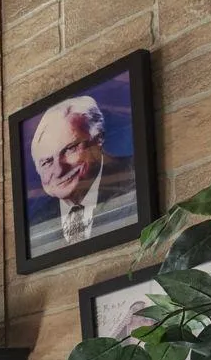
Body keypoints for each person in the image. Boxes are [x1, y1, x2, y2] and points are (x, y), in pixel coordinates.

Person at [26, 95, 138, 255]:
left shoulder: (136, 177)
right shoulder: (37, 224)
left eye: (69, 149)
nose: (58, 170)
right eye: (47, 162)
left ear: (98, 139)